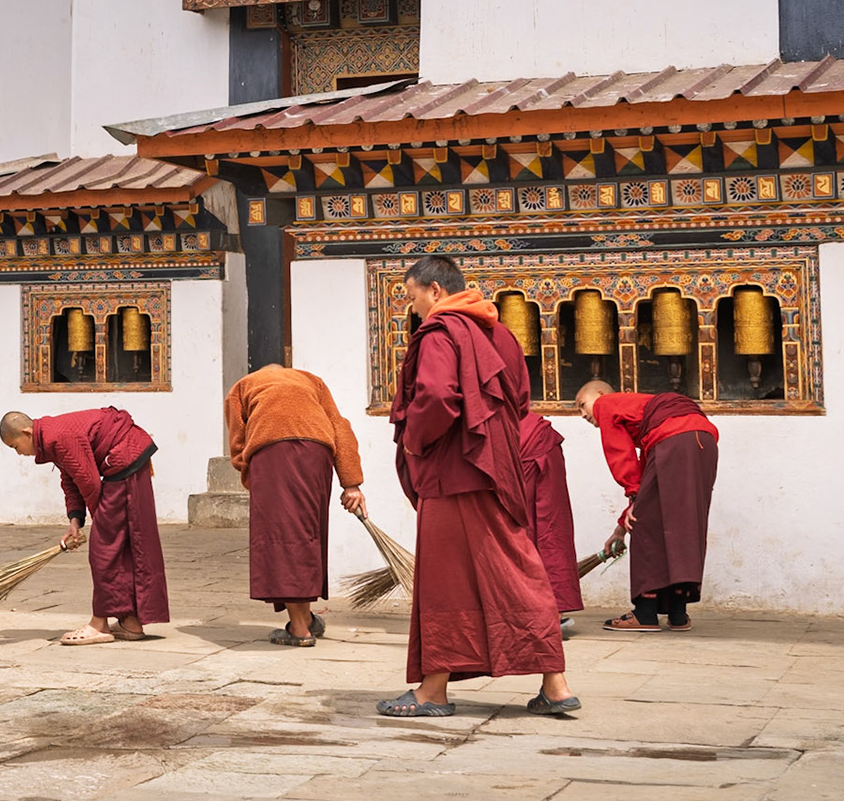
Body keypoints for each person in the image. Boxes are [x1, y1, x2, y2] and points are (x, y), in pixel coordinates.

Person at [381, 255, 579, 717]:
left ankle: (433, 693)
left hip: (454, 471)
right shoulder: (501, 333)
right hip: (497, 467)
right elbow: (520, 399)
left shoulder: (441, 332)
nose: (414, 311)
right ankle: (554, 684)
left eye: (412, 299)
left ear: (434, 291)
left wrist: (413, 442)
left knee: (444, 581)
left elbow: (434, 397)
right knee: (511, 567)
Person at [0, 407, 169, 645]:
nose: (18, 453)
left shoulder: (57, 436)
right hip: (126, 459)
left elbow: (88, 481)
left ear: (27, 433)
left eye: (15, 446)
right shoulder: (49, 436)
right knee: (124, 543)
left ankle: (99, 624)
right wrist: (75, 519)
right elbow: (70, 477)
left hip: (124, 459)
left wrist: (100, 523)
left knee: (104, 549)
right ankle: (130, 622)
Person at [224, 364, 367, 646]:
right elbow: (340, 427)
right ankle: (307, 619)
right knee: (306, 534)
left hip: (271, 451)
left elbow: (238, 442)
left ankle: (299, 629)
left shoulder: (241, 387)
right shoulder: (312, 381)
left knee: (281, 537)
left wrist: (253, 475)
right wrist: (352, 484)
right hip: (318, 451)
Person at [574, 381, 719, 633]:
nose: (583, 414)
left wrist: (633, 500)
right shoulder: (647, 421)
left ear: (599, 395)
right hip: (702, 441)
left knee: (646, 525)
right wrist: (621, 528)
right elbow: (644, 480)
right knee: (682, 523)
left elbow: (620, 454)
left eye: (582, 405)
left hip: (675, 440)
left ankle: (645, 612)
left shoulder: (607, 404)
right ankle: (677, 611)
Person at [518, 413, 584, 635]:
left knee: (519, 530)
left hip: (520, 441)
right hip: (531, 439)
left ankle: (542, 612)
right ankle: (550, 611)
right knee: (551, 527)